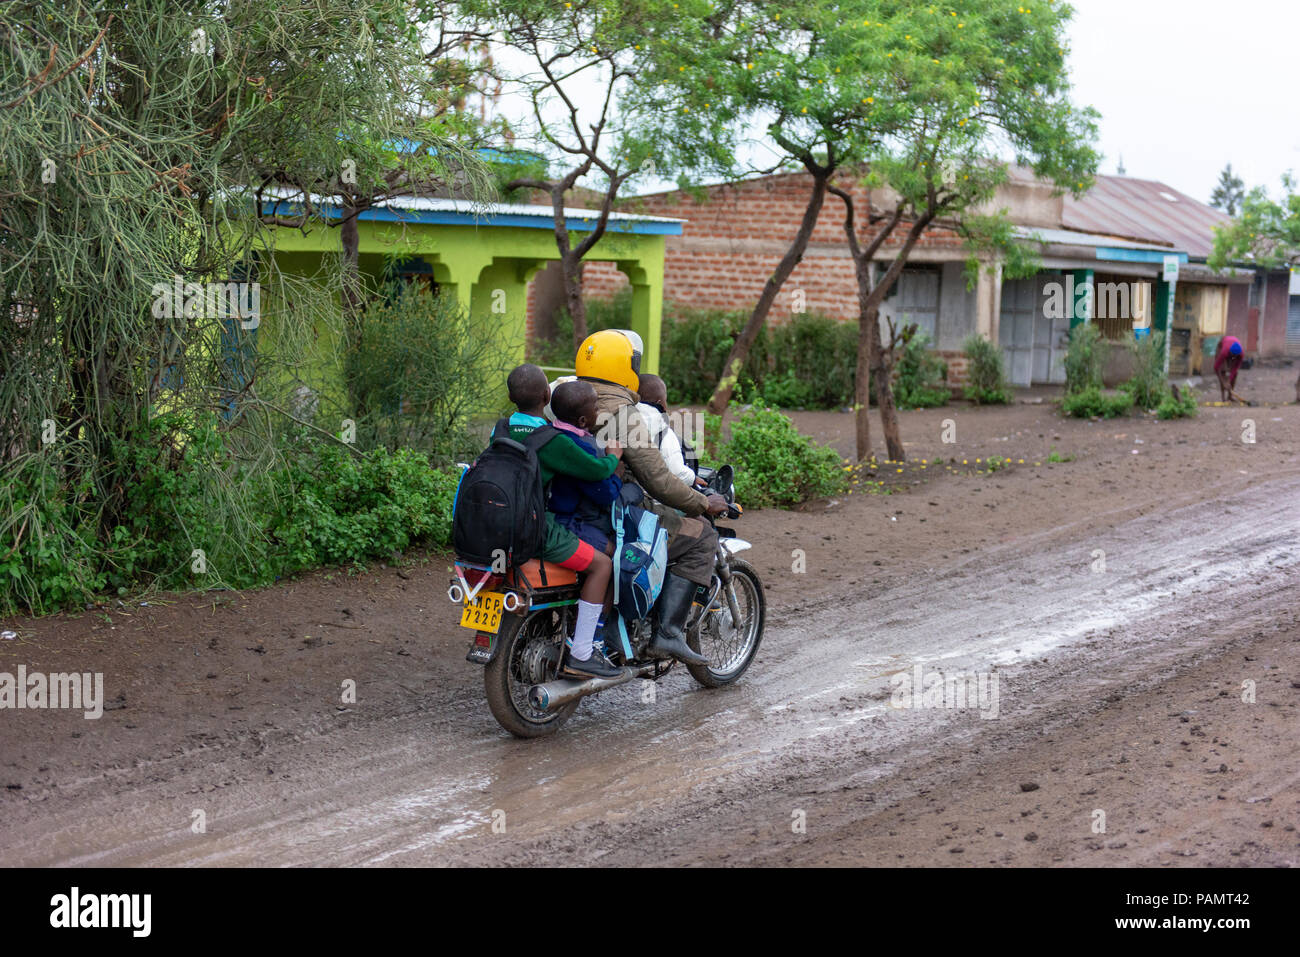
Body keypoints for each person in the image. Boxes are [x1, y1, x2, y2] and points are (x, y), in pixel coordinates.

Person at [575, 329, 729, 667]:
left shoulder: (565, 394)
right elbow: (658, 479)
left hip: (567, 509)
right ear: (623, 365)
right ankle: (668, 634)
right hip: (610, 512)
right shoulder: (620, 411)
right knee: (701, 536)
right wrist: (703, 503)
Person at [498, 364, 623, 679]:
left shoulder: (500, 428)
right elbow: (596, 473)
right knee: (603, 565)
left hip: (498, 525)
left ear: (511, 397)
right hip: (537, 528)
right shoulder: (551, 440)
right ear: (546, 395)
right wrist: (614, 457)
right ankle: (582, 651)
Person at [636, 374, 701, 487]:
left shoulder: (621, 418)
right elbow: (677, 473)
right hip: (650, 498)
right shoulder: (663, 432)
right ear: (660, 402)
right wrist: (693, 478)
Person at [1213, 335, 1245, 401]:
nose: (1233, 358)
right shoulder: (1224, 352)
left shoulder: (1241, 354)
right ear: (1230, 352)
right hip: (1222, 344)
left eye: (1235, 356)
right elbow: (1216, 367)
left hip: (1232, 347)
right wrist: (1223, 381)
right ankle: (1223, 398)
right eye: (1232, 355)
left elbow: (1235, 369)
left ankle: (1230, 396)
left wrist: (1229, 381)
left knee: (1235, 374)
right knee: (1222, 371)